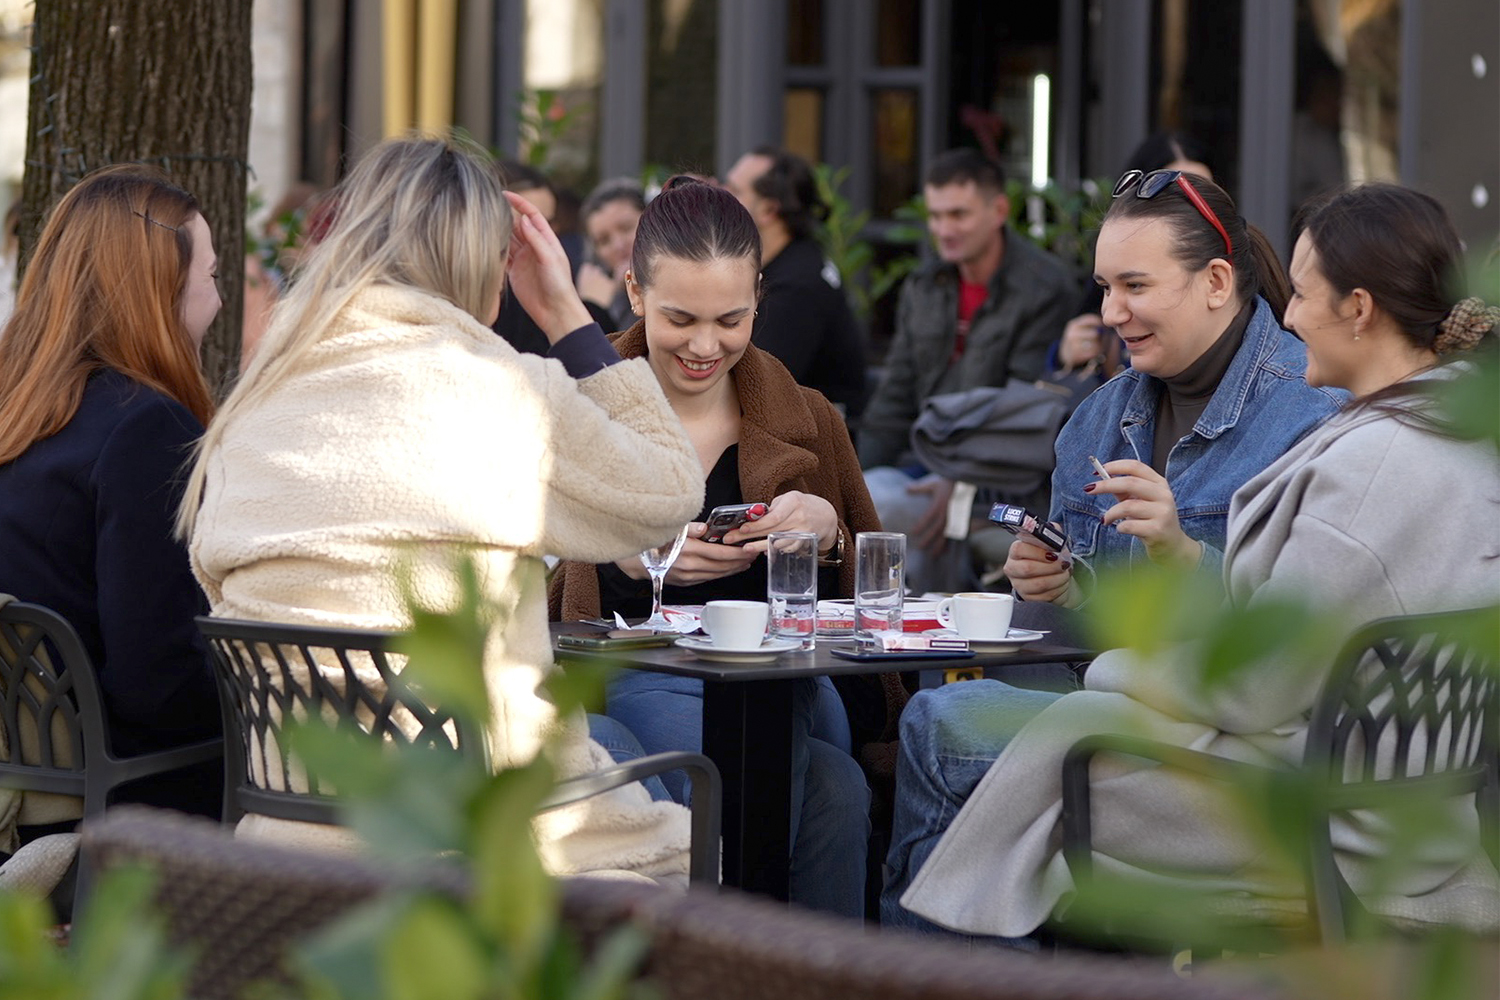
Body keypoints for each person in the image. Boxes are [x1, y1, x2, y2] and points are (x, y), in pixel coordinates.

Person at [886, 182, 1499, 940]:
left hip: (1300, 809)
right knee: (961, 727)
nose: (1291, 315)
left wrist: (1121, 663)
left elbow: (1253, 685)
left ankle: (917, 971)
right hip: (1390, 804)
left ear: (1361, 310)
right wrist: (1077, 588)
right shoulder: (1461, 436)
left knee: (949, 731)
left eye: (1303, 295)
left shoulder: (1363, 460)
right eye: (1105, 288)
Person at [179, 135, 706, 883]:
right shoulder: (504, 394)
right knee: (700, 848)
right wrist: (565, 313)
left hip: (290, 832)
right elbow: (668, 495)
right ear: (485, 265)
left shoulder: (256, 404)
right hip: (488, 833)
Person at [550, 176, 877, 918]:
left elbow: (874, 583)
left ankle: (710, 945)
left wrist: (825, 536)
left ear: (760, 295)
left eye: (731, 319)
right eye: (680, 318)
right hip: (646, 670)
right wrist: (627, 560)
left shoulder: (811, 418)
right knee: (835, 788)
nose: (705, 346)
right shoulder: (577, 404)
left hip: (792, 680)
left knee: (759, 715)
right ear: (633, 292)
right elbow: (521, 571)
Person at [0, 166, 225, 857]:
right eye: (212, 276)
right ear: (160, 289)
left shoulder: (18, 411)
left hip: (27, 781)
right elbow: (156, 683)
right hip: (121, 804)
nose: (218, 297)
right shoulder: (144, 429)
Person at [859, 149, 1077, 592]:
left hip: (1001, 481)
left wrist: (960, 483)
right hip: (920, 461)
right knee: (858, 502)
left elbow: (1024, 410)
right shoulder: (926, 285)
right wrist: (851, 479)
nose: (943, 229)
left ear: (999, 210)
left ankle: (916, 646)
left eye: (958, 214)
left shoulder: (1043, 288)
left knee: (881, 510)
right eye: (936, 215)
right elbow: (895, 398)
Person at [724, 146, 868, 420]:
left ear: (768, 209)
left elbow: (752, 388)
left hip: (815, 448)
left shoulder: (797, 286)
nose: (722, 197)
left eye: (734, 191)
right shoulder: (790, 264)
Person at [493, 160, 613, 354]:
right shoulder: (495, 295)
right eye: (523, 221)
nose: (537, 232)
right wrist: (593, 307)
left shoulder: (543, 277)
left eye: (547, 222)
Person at [575, 177, 646, 332]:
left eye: (626, 228)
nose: (618, 245)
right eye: (604, 240)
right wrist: (593, 307)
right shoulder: (604, 297)